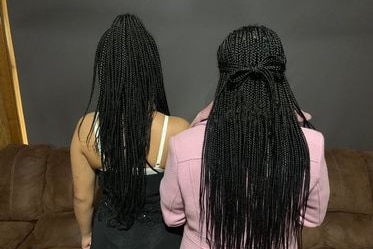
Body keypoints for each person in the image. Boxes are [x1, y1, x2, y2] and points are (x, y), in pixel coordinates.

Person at [160, 25, 330, 249]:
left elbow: (173, 217)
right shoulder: (311, 144)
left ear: (224, 75)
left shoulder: (184, 144)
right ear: (279, 75)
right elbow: (311, 218)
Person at [70, 14, 189, 249]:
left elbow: (82, 198)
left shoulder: (86, 128)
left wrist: (85, 235)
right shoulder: (177, 129)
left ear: (107, 72)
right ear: (151, 69)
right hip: (164, 240)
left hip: (109, 238)